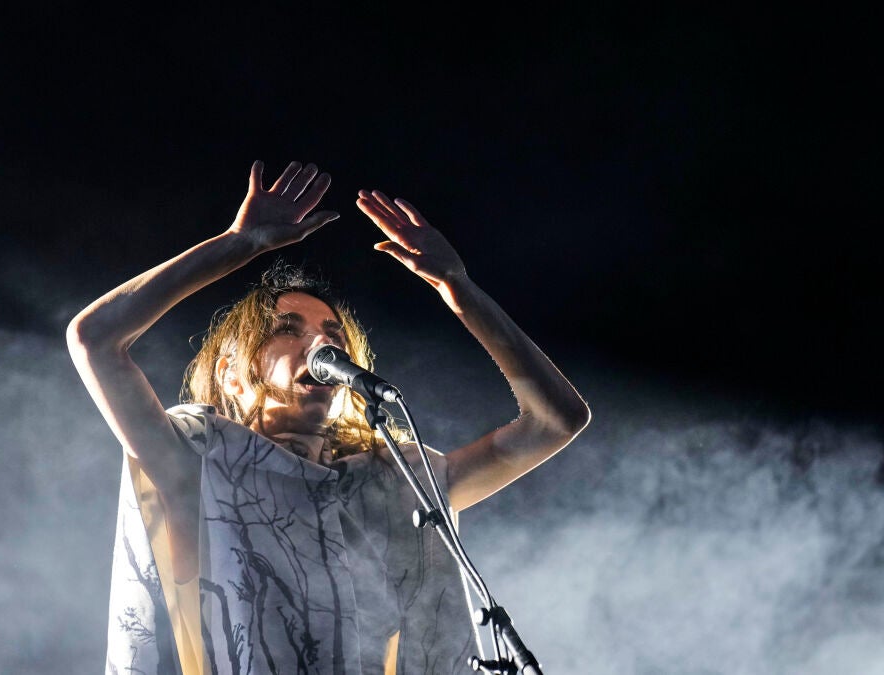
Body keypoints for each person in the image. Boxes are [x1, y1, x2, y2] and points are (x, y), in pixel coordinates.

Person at [67, 160, 590, 674]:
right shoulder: (197, 461)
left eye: (334, 334)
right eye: (287, 330)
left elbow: (557, 421)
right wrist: (236, 245)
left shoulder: (397, 483)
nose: (322, 342)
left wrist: (460, 289)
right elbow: (95, 340)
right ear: (230, 374)